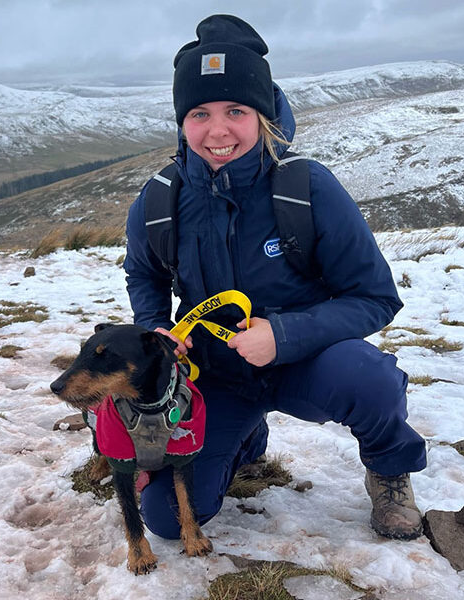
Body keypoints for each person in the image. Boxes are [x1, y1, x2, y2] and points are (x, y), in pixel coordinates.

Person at [123, 14, 427, 541]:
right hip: (212, 375)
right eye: (200, 113)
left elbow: (375, 297)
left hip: (306, 364)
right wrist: (155, 330)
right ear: (182, 121)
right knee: (168, 519)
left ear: (262, 114)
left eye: (236, 110)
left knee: (369, 379)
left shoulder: (307, 188)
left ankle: (389, 468)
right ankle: (241, 441)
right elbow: (143, 273)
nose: (218, 131)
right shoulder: (158, 200)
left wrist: (283, 336)